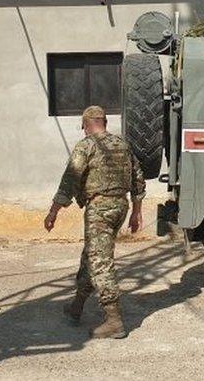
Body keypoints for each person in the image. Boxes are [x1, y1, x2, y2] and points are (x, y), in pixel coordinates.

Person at [43, 105, 145, 339]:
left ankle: (114, 320)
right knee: (90, 256)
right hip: (120, 206)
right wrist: (136, 212)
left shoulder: (87, 146)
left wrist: (53, 212)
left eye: (84, 128)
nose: (84, 132)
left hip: (100, 208)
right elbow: (138, 179)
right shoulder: (123, 145)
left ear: (87, 125)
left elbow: (70, 180)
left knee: (100, 261)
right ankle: (76, 307)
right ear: (105, 122)